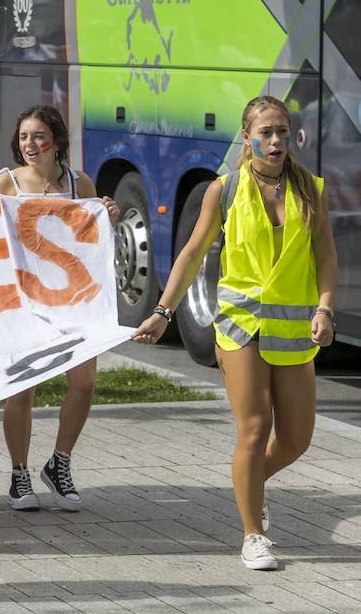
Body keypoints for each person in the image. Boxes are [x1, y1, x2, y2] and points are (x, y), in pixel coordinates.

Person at [133, 96, 337, 571]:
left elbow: (325, 255)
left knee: (297, 439)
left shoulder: (312, 189)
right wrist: (164, 310)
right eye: (265, 132)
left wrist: (326, 308)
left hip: (293, 331)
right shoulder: (223, 190)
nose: (275, 141)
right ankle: (254, 534)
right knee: (254, 429)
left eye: (282, 132)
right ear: (247, 137)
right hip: (239, 327)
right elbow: (191, 253)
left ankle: (250, 487)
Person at [0, 106, 119, 512]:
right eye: (24, 136)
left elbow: (92, 238)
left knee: (84, 381)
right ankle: (19, 474)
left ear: (57, 140)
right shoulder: (6, 183)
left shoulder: (79, 183)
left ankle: (59, 463)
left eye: (39, 136)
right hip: (23, 302)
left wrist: (107, 216)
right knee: (22, 388)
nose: (30, 144)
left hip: (74, 301)